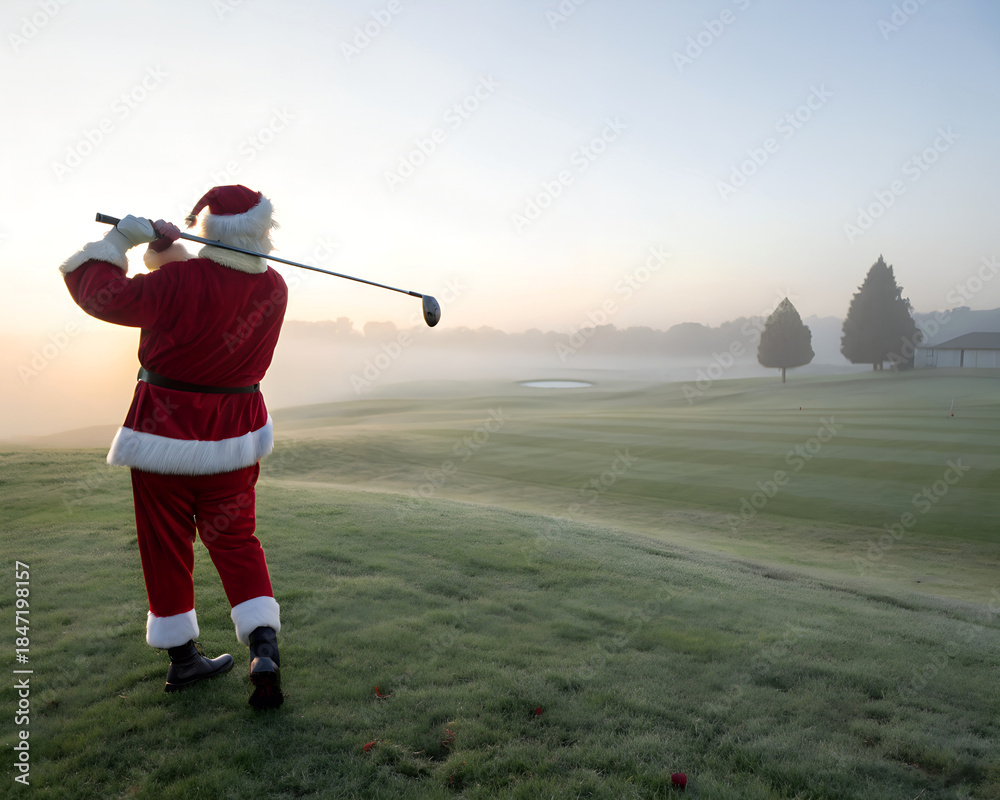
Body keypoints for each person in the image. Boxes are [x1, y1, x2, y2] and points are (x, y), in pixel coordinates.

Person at [60, 185, 288, 709]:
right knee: (236, 541)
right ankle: (263, 645)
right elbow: (212, 282)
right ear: (260, 231)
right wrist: (166, 248)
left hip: (163, 436)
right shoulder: (274, 287)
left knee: (165, 543)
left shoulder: (178, 282)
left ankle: (183, 661)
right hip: (235, 436)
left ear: (207, 230)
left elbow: (101, 293)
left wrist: (120, 240)